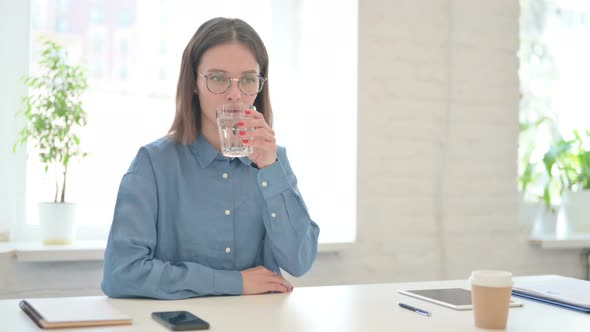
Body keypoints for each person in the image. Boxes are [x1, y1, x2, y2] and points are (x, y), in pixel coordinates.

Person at [101, 17, 320, 299]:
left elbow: (300, 261)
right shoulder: (153, 163)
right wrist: (233, 282)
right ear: (194, 82)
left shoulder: (273, 162)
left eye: (248, 80)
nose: (234, 95)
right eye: (218, 78)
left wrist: (271, 169)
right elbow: (121, 274)